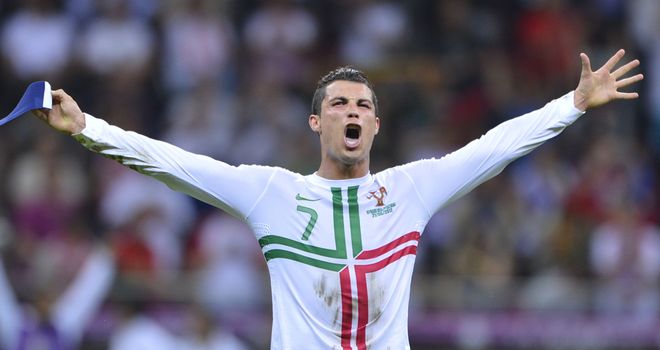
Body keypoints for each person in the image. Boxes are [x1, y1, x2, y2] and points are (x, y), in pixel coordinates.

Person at [31, 49, 642, 349]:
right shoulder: (274, 193)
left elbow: (493, 148)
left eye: (364, 106)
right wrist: (88, 129)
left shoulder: (409, 190)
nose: (352, 112)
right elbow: (176, 165)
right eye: (339, 105)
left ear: (376, 127)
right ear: (315, 124)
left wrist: (573, 105)